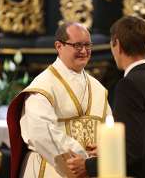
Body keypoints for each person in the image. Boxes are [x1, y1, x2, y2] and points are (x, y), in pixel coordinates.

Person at [67, 16, 145, 178]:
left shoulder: (129, 86)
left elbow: (131, 154)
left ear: (117, 44)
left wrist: (87, 166)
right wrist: (109, 149)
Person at [7, 22, 112, 178]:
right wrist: (83, 160)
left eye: (87, 45)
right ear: (59, 46)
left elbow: (109, 126)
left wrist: (104, 149)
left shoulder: (98, 88)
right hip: (51, 169)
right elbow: (41, 134)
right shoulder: (42, 87)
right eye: (77, 45)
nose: (84, 51)